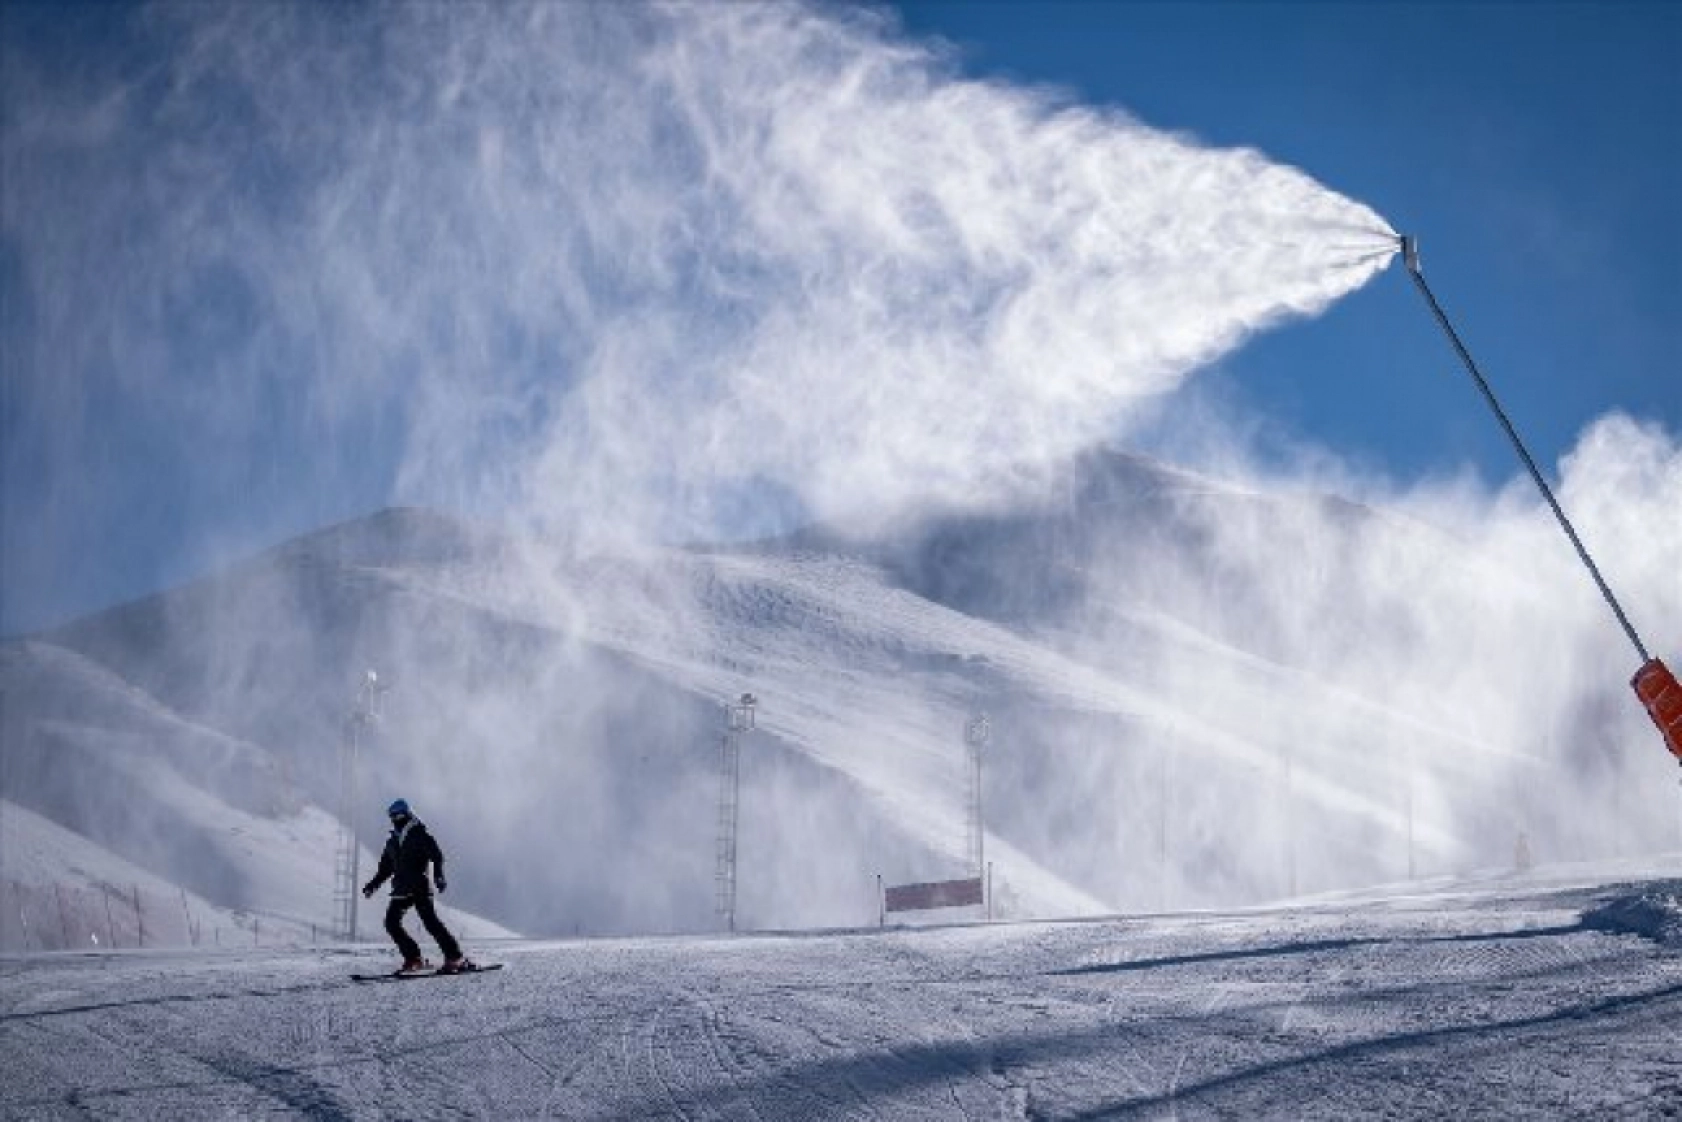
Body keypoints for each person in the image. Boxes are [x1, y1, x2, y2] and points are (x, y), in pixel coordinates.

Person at [362, 798, 472, 974]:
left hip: (419, 886)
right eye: (392, 816)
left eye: (398, 815)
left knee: (430, 923)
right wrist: (372, 885)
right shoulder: (392, 842)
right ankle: (414, 958)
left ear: (407, 814)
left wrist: (438, 876)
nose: (395, 819)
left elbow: (436, 855)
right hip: (401, 889)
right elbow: (385, 869)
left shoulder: (419, 833)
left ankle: (455, 957)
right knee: (391, 923)